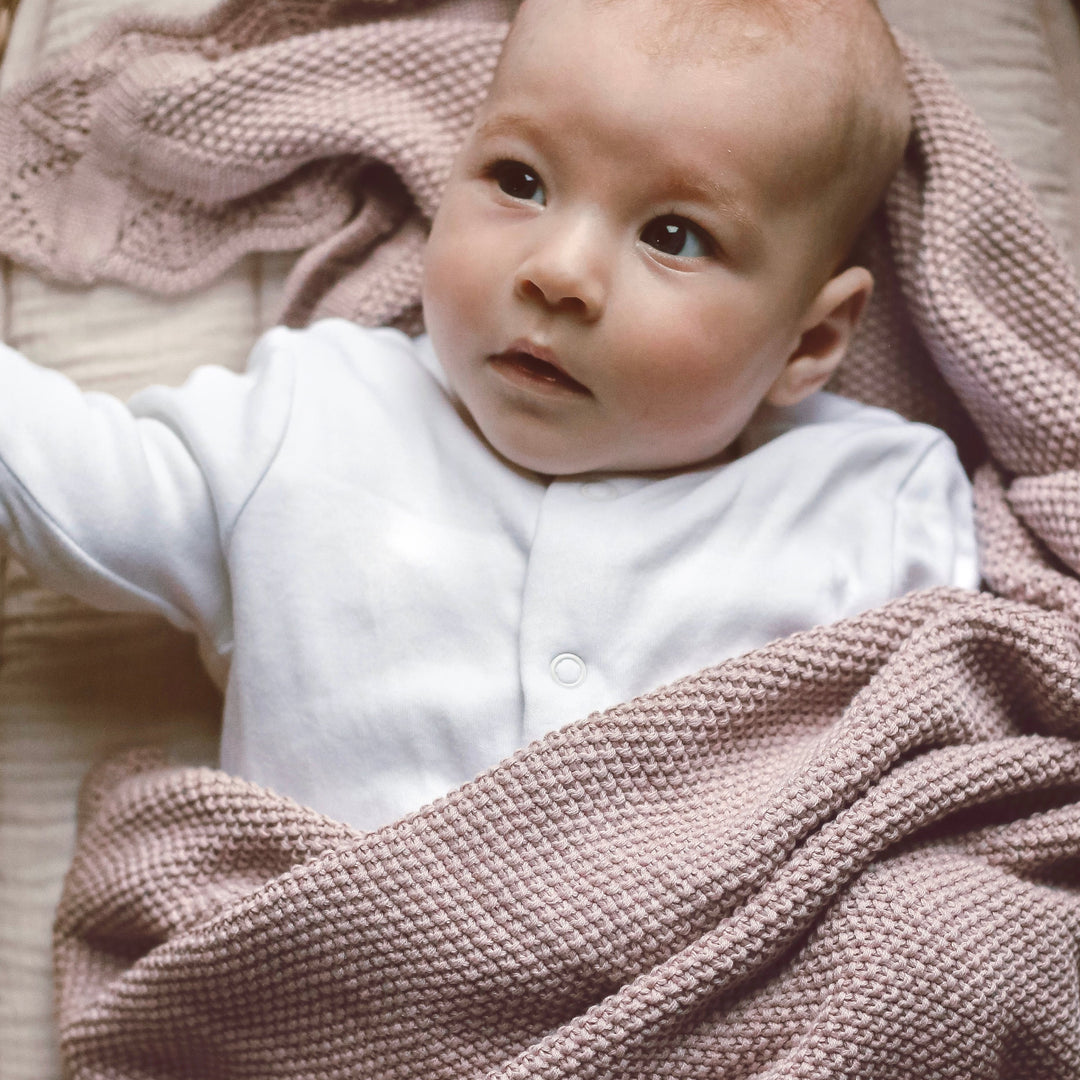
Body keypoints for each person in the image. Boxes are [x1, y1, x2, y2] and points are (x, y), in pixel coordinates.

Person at [0, 0, 977, 830]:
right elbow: (78, 484)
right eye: (521, 181)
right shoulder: (320, 416)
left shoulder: (868, 498)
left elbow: (958, 773)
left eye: (674, 235)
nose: (557, 273)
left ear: (808, 343)